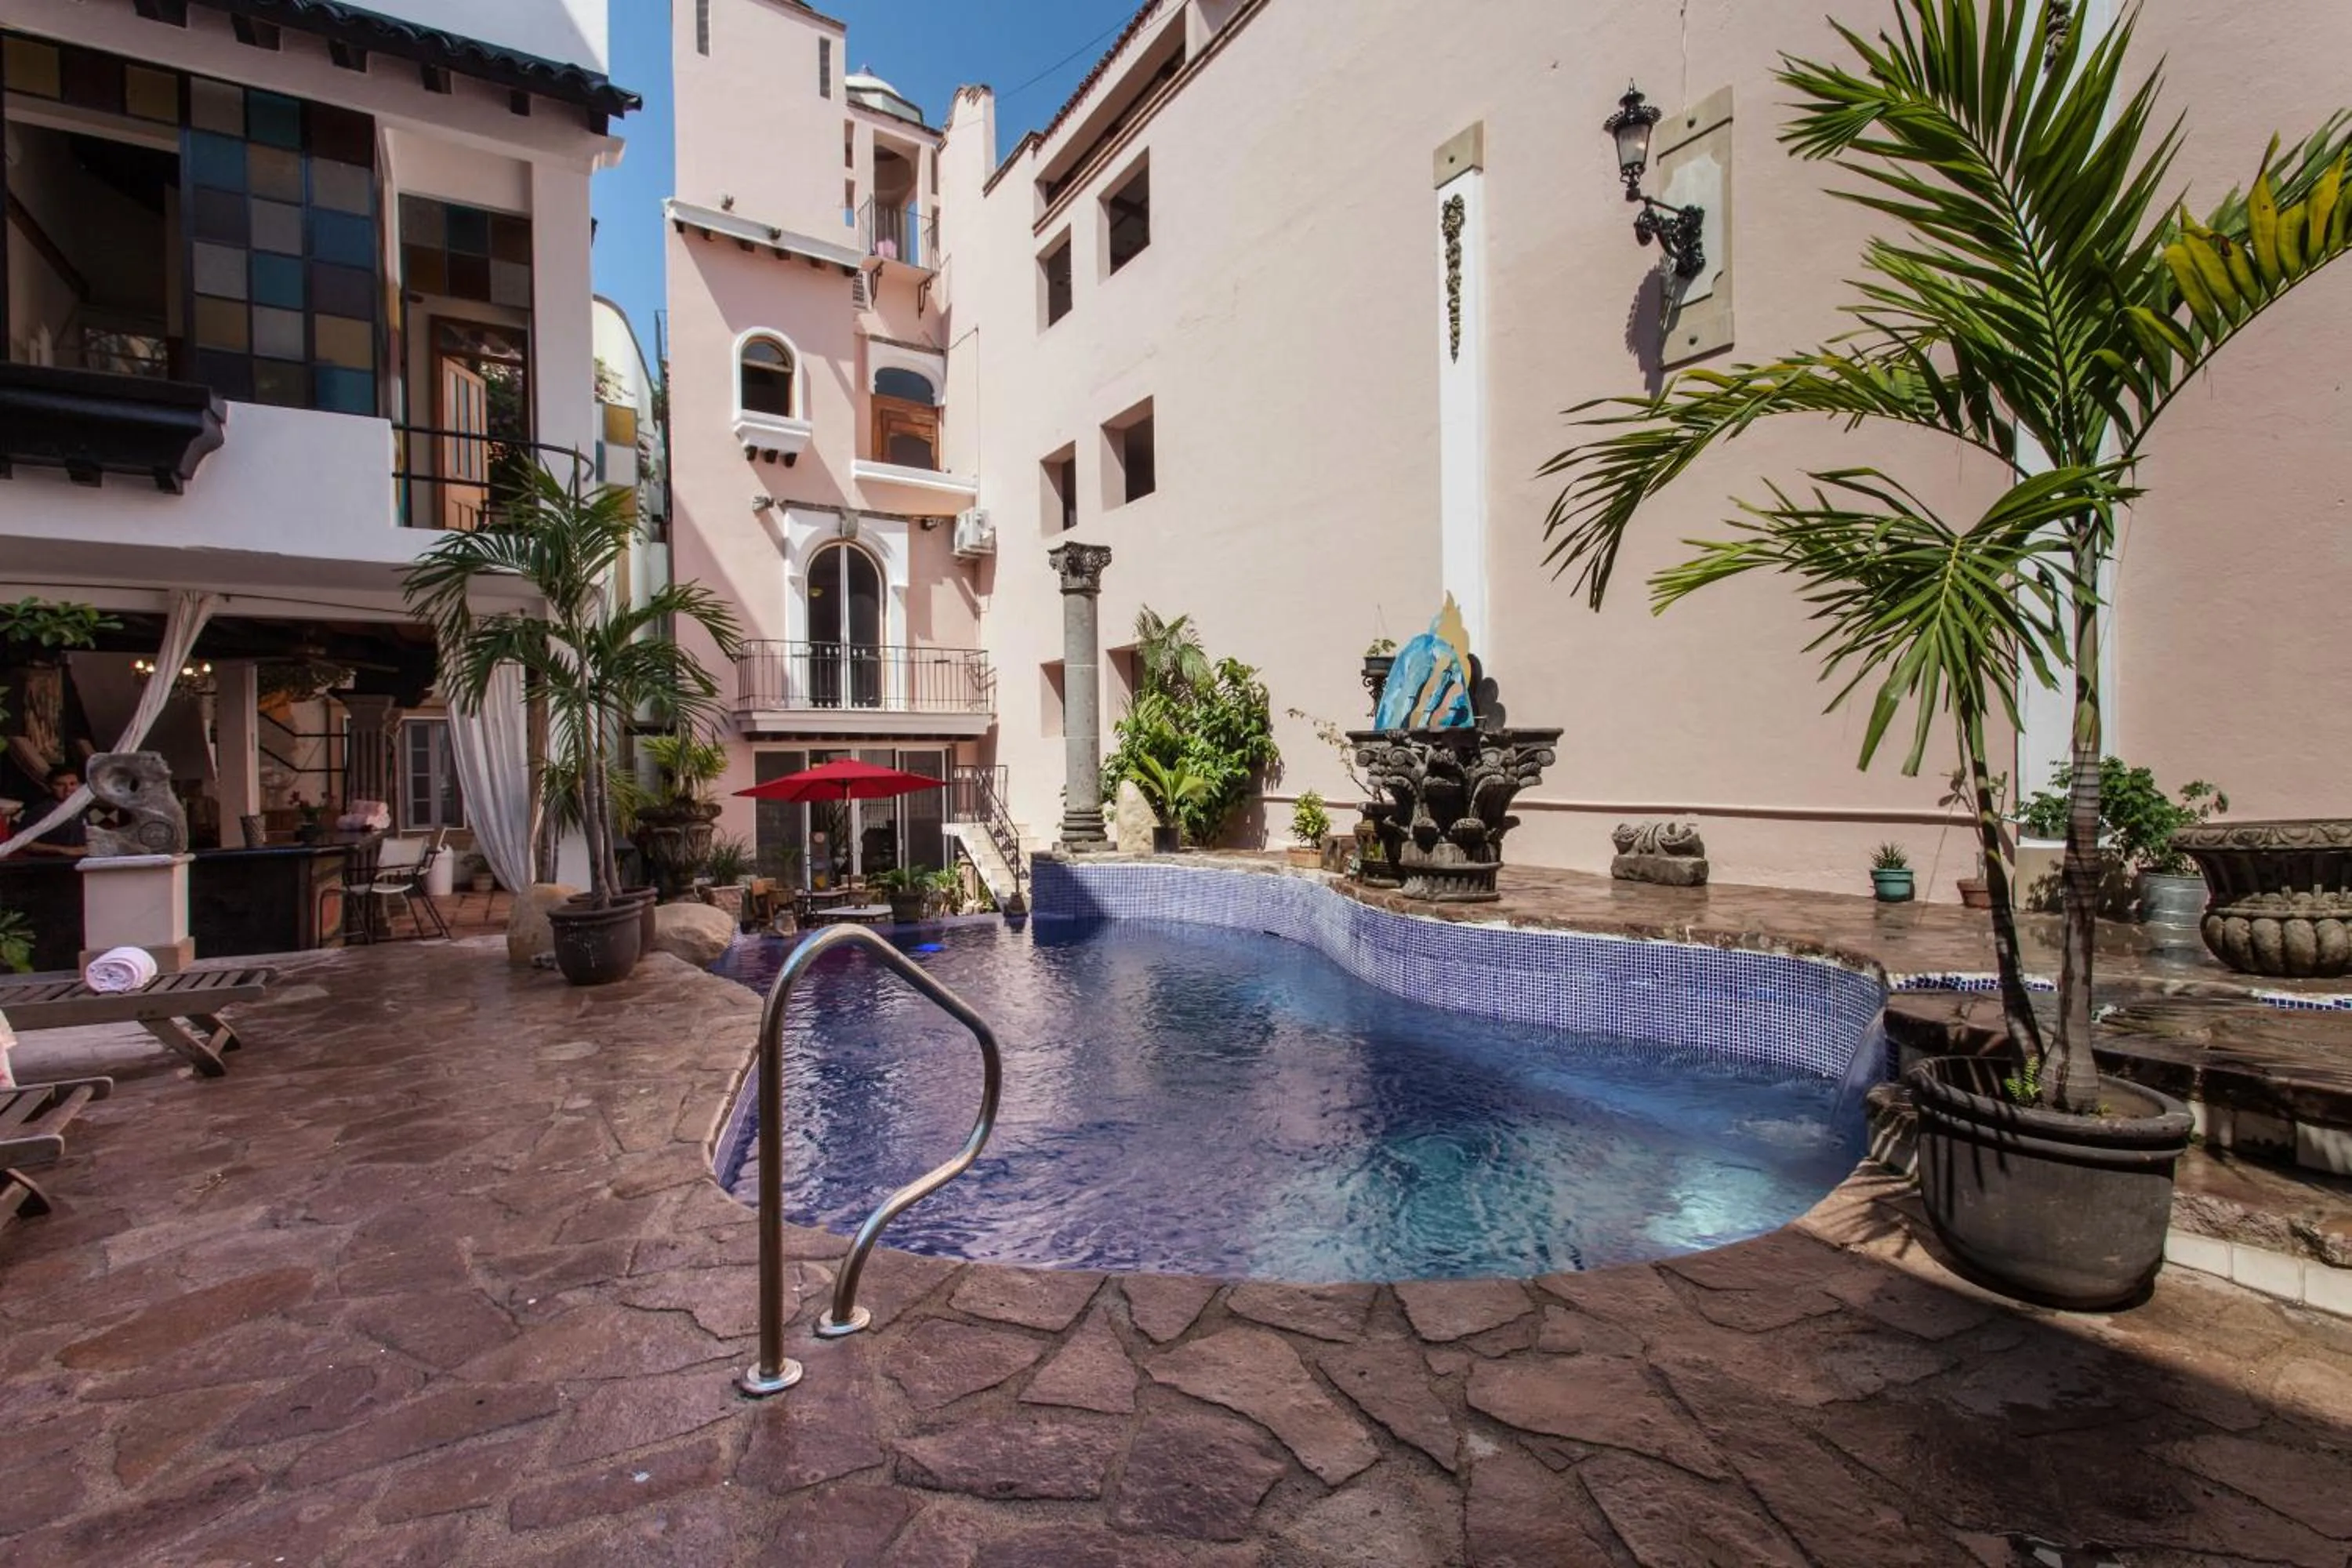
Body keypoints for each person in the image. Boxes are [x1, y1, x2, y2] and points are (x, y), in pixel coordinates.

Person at [18, 764, 89, 858]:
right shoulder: (38, 812)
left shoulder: (81, 809)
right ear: (49, 787)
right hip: (49, 866)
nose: (68, 789)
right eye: (60, 784)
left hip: (80, 864)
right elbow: (23, 844)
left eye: (73, 784)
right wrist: (63, 850)